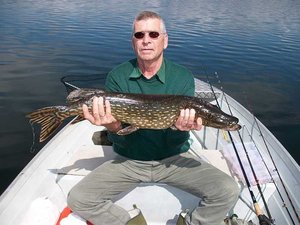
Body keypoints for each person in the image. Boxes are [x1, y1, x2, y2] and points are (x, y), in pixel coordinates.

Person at [67, 11, 239, 225]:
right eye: (140, 35)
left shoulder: (182, 76)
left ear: (165, 40)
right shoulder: (118, 75)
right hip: (128, 161)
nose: (146, 40)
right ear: (133, 42)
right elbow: (120, 131)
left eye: (153, 34)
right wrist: (110, 124)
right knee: (78, 198)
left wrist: (180, 127)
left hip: (173, 160)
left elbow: (178, 135)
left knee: (228, 190)